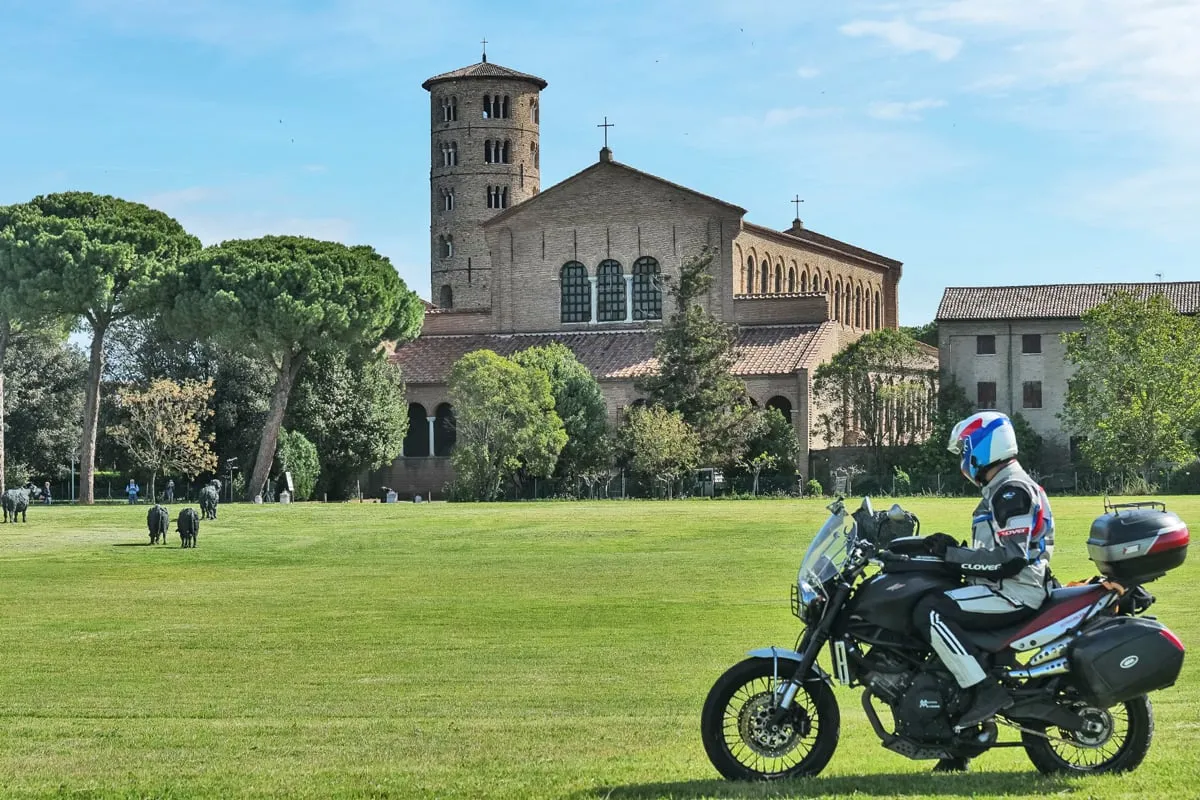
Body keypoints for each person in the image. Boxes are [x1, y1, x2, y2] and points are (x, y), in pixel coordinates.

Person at [911, 411, 1054, 768]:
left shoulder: (1011, 490)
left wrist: (953, 557)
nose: (964, 456)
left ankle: (985, 690)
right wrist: (950, 549)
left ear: (985, 447)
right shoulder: (1003, 487)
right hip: (1006, 587)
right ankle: (960, 743)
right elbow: (992, 553)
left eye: (966, 447)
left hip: (1017, 592)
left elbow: (1010, 559)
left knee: (930, 611)